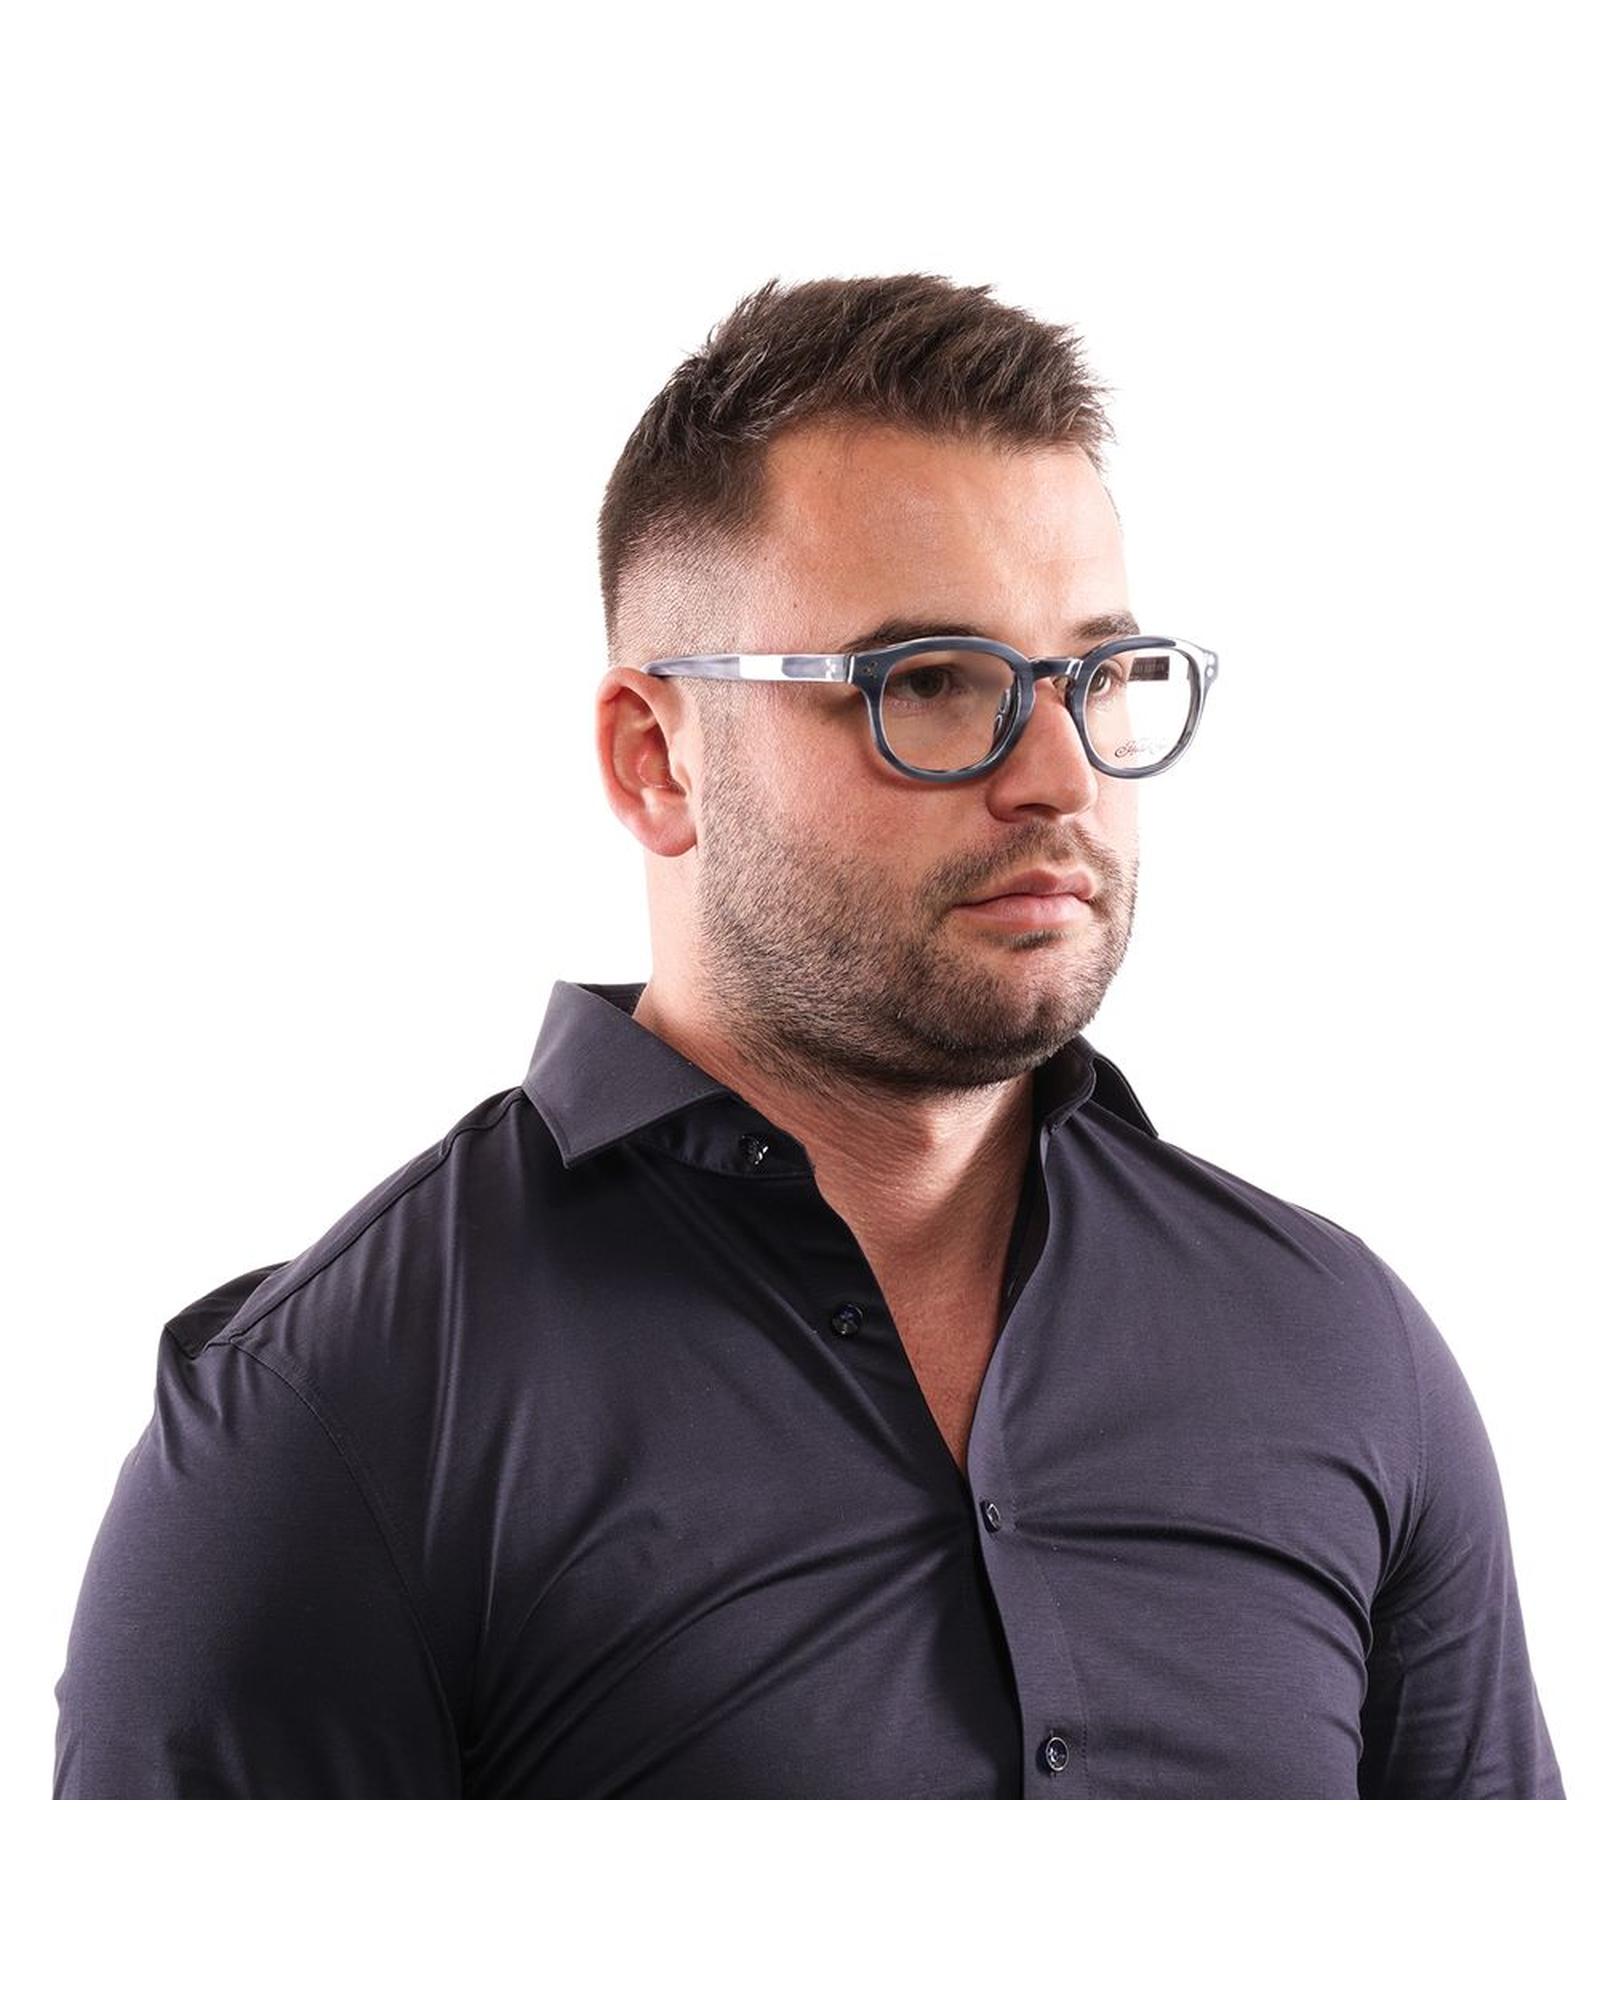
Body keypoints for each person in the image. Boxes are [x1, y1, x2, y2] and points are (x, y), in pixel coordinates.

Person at [53, 272, 1564, 1798]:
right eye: (931, 682)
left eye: (1100, 678)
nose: (1060, 777)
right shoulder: (336, 1421)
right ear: (657, 759)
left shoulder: (1338, 1347)